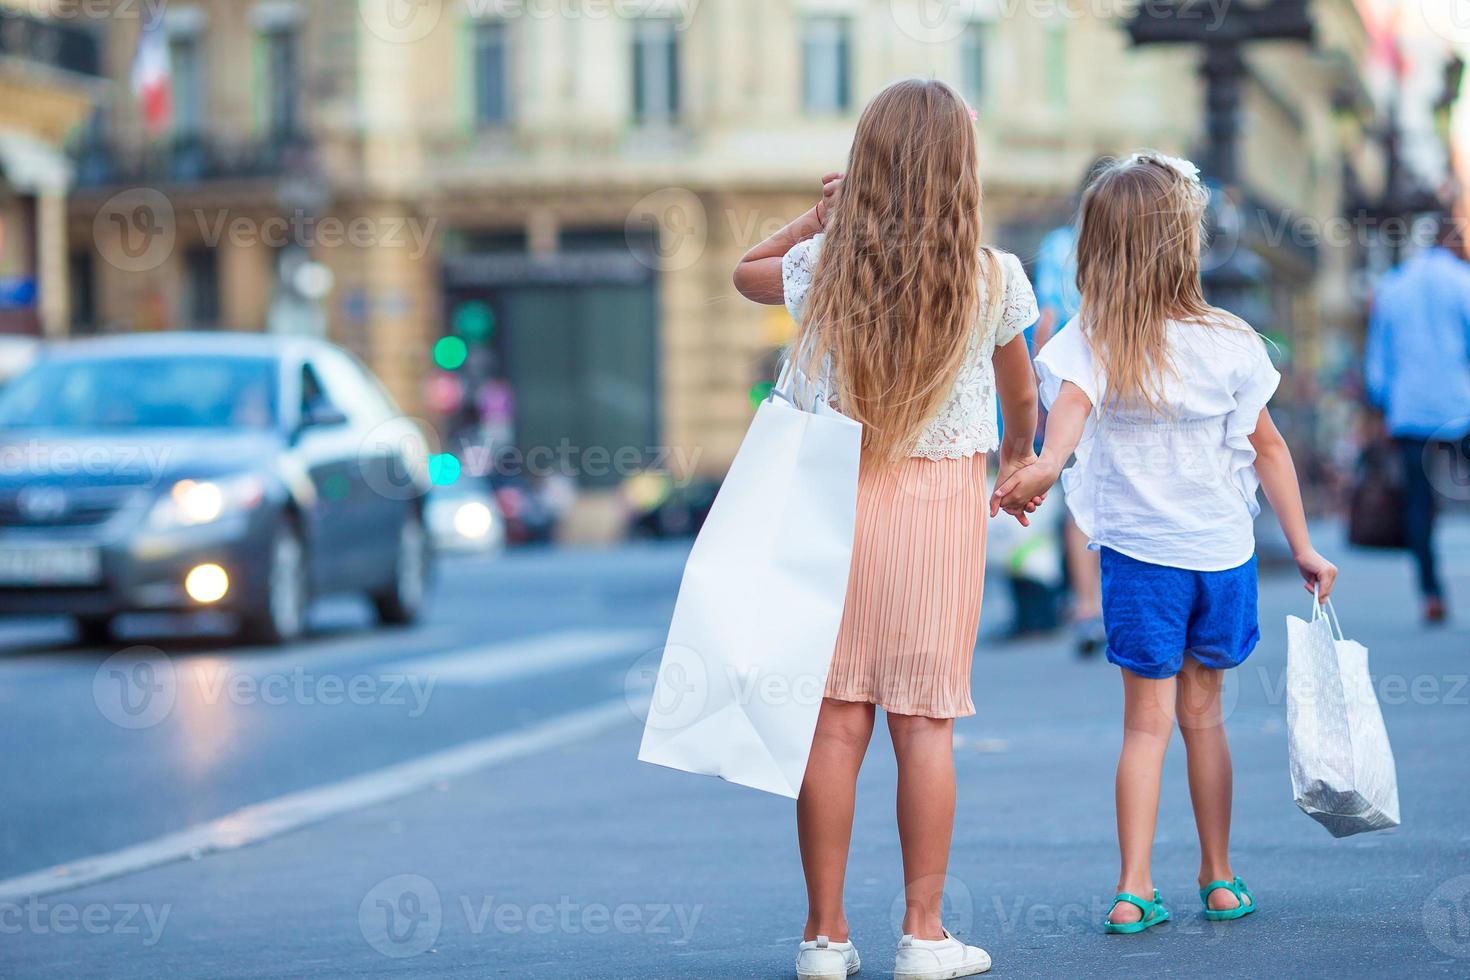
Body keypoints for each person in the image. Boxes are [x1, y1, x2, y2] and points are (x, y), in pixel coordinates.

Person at [733, 78, 1040, 980]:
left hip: (833, 500)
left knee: (835, 723)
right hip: (939, 508)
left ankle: (823, 938)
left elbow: (746, 272)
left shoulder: (829, 268)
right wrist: (1019, 462)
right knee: (925, 724)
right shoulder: (993, 277)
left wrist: (812, 222)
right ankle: (923, 932)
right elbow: (1021, 396)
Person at [992, 153, 1338, 934]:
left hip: (1140, 560)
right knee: (1204, 717)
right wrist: (1305, 546)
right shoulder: (1230, 340)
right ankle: (1217, 877)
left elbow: (1067, 423)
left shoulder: (1093, 339)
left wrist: (1040, 468)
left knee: (1143, 726)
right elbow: (1270, 450)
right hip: (1221, 555)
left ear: (1097, 248)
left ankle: (1132, 886)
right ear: (1185, 244)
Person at [1364, 216, 1470, 624]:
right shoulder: (1462, 281)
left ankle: (1430, 593)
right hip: (1459, 409)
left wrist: (1382, 407)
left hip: (1408, 412)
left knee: (1418, 504)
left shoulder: (1392, 286)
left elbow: (1378, 358)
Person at [1031, 160, 1110, 655]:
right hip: (1120, 379)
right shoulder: (1122, 244)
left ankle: (1087, 605)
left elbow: (1046, 320)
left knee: (1076, 493)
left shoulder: (1059, 247)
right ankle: (1118, 601)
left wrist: (1039, 398)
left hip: (1068, 382)